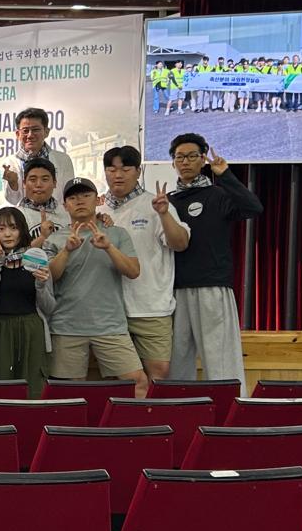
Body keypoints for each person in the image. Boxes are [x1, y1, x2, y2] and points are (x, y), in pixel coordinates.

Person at [166, 134, 263, 388]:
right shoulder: (167, 202)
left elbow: (254, 208)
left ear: (203, 159)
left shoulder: (218, 194)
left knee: (221, 362)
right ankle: (178, 418)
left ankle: (231, 417)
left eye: (192, 156)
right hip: (175, 292)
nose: (185, 162)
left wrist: (226, 174)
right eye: (179, 157)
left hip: (213, 287)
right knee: (177, 365)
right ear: (173, 162)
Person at [45, 178, 148, 397]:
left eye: (85, 195)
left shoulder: (117, 234)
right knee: (72, 393)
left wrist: (108, 247)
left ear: (98, 200)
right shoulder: (55, 238)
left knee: (138, 383)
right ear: (65, 206)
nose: (79, 201)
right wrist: (66, 251)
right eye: (72, 197)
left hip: (110, 325)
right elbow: (49, 277)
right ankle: (75, 432)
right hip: (67, 326)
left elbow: (133, 271)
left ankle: (133, 431)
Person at [100, 145, 189, 383]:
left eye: (126, 168)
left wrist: (163, 214)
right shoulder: (96, 209)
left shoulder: (157, 204)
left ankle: (152, 420)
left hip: (150, 306)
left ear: (138, 171)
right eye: (111, 169)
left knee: (159, 373)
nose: (118, 175)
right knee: (116, 379)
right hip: (110, 311)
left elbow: (180, 243)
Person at [0, 206, 56, 395]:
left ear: (22, 230)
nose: (7, 234)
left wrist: (41, 285)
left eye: (13, 227)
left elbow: (49, 307)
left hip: (32, 328)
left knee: (33, 387)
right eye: (1, 229)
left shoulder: (36, 259)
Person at [0, 108, 74, 206]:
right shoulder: (9, 163)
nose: (30, 135)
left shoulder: (63, 160)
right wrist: (13, 185)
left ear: (46, 132)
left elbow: (69, 195)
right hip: (24, 219)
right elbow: (12, 201)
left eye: (35, 130)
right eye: (25, 131)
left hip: (56, 218)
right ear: (18, 134)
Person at [18, 156, 70, 239]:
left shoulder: (67, 213)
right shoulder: (15, 215)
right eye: (33, 180)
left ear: (54, 183)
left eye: (45, 179)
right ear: (24, 183)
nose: (38, 184)